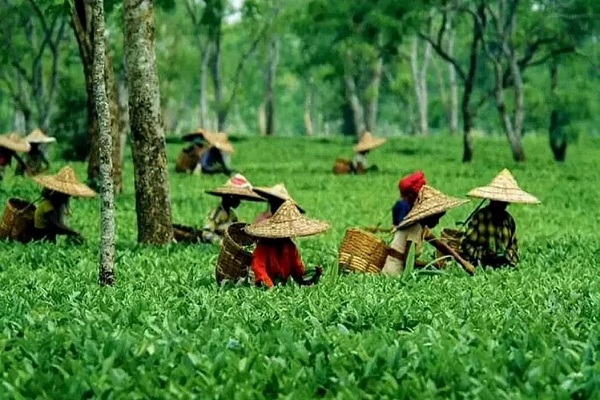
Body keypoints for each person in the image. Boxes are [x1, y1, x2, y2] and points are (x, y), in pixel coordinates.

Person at [460, 169, 540, 268]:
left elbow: (514, 247)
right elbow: (465, 244)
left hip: (502, 266)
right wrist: (483, 254)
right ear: (491, 200)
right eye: (498, 202)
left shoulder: (509, 221)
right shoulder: (480, 217)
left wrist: (507, 255)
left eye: (504, 203)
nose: (502, 205)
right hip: (480, 265)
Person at [382, 185, 468, 275]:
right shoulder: (415, 228)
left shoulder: (422, 228)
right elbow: (408, 262)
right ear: (428, 216)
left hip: (402, 271)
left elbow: (440, 245)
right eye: (436, 218)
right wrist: (434, 265)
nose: (438, 222)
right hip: (394, 272)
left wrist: (463, 262)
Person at [244, 199, 329, 288]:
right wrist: (270, 287)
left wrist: (313, 274)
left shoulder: (290, 247)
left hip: (281, 282)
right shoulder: (264, 246)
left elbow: (297, 270)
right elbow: (259, 269)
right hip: (264, 283)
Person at [30, 165, 96, 243]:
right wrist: (74, 233)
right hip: (41, 239)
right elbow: (56, 225)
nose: (67, 197)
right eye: (65, 195)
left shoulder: (54, 205)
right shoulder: (47, 205)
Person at [202, 174, 265, 244]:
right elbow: (206, 233)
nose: (239, 202)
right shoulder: (217, 213)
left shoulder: (232, 214)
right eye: (237, 199)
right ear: (230, 197)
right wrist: (220, 242)